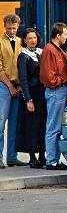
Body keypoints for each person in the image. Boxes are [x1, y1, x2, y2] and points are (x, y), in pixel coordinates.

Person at [39, 22, 67, 170]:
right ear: (58, 35)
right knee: (53, 127)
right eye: (65, 34)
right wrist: (62, 80)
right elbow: (48, 77)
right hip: (56, 91)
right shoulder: (50, 50)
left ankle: (55, 159)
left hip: (59, 90)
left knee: (57, 127)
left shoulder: (57, 50)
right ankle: (51, 160)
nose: (66, 37)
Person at [15, 28, 47, 169]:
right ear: (25, 40)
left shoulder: (41, 52)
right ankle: (32, 157)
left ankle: (42, 155)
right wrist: (28, 99)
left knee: (42, 124)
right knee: (31, 126)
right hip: (31, 95)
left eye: (34, 38)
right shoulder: (23, 55)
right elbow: (23, 79)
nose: (33, 40)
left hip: (42, 95)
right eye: (29, 38)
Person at [0, 14, 28, 169]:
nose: (12, 31)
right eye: (9, 28)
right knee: (1, 122)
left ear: (18, 27)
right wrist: (10, 86)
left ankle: (12, 156)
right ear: (5, 26)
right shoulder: (0, 42)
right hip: (4, 86)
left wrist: (20, 86)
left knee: (14, 123)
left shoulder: (20, 43)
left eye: (14, 28)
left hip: (18, 85)